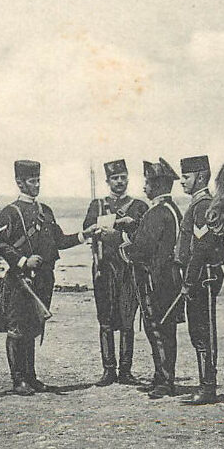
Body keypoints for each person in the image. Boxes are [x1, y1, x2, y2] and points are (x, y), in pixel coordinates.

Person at [0, 160, 97, 396]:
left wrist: (82, 236)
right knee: (17, 329)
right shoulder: (10, 212)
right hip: (22, 281)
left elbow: (58, 240)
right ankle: (18, 380)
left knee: (33, 327)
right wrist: (22, 261)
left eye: (38, 180)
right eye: (31, 181)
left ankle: (31, 376)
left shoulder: (45, 211)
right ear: (19, 182)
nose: (36, 185)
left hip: (45, 279)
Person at [119, 158, 183, 399]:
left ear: (157, 185)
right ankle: (162, 376)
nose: (144, 187)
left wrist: (123, 245)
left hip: (154, 283)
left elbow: (143, 249)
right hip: (170, 280)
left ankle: (165, 381)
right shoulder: (171, 209)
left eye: (147, 183)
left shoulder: (156, 212)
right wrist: (135, 225)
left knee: (157, 330)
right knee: (166, 330)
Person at [83, 159, 148, 386]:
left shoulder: (139, 206)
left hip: (129, 269)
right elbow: (87, 231)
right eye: (115, 178)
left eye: (123, 177)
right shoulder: (97, 205)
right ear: (108, 181)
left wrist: (129, 225)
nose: (119, 182)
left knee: (128, 318)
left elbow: (145, 235)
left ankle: (126, 371)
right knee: (105, 319)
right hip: (104, 268)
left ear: (128, 178)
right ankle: (108, 370)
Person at [175, 155, 224, 404]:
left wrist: (188, 282)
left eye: (186, 177)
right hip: (199, 279)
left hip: (202, 280)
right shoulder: (198, 205)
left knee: (203, 331)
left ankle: (208, 387)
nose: (182, 181)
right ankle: (206, 383)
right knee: (198, 331)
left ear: (201, 177)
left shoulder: (203, 206)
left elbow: (200, 249)